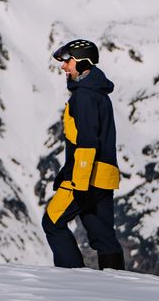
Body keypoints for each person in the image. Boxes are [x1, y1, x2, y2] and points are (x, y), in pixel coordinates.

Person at [42, 39, 126, 270]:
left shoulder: (84, 96)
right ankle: (116, 284)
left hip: (85, 176)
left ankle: (72, 278)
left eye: (68, 61)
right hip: (104, 175)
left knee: (52, 222)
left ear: (82, 62)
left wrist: (79, 182)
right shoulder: (99, 93)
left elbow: (87, 141)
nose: (64, 67)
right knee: (103, 236)